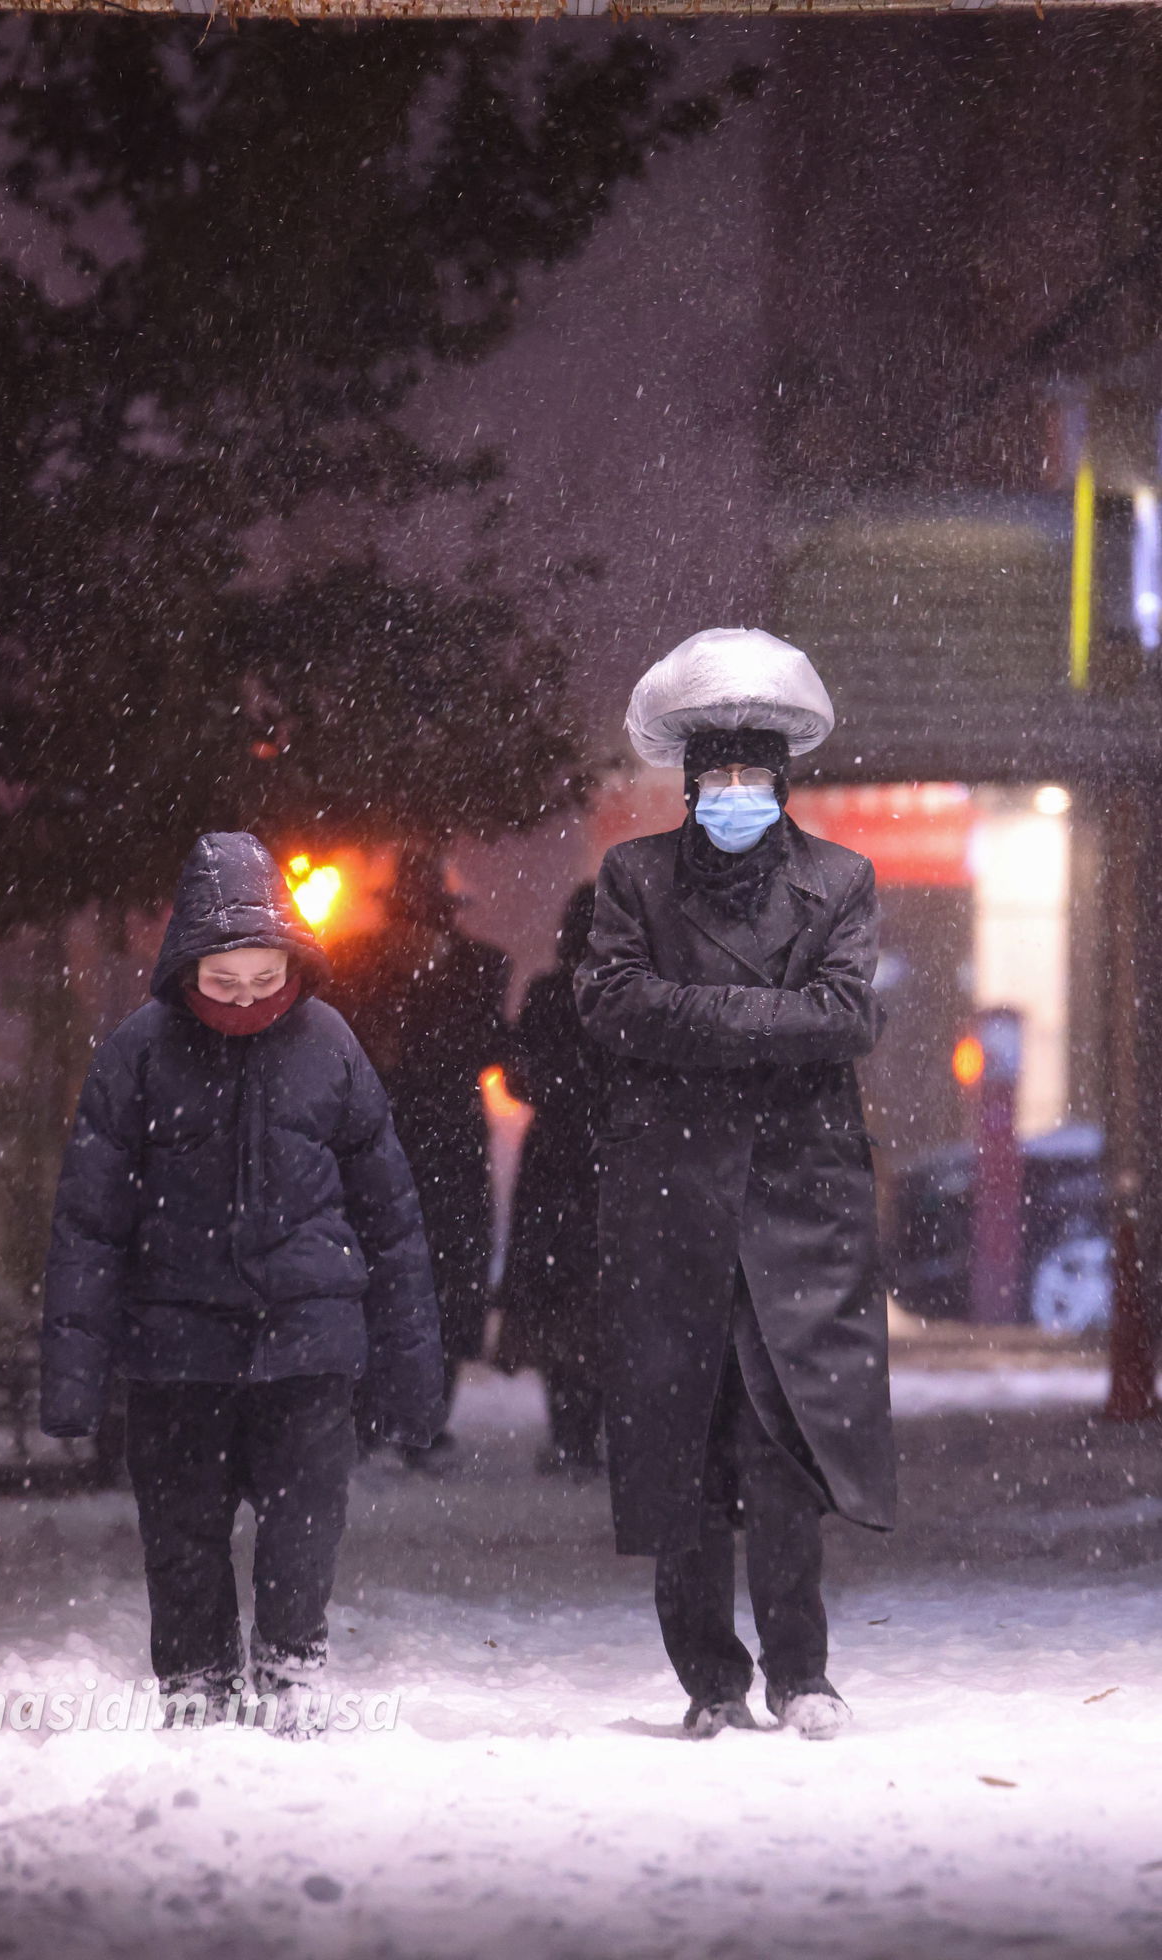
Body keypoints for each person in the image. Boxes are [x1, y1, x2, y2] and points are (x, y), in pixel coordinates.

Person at [41, 832, 443, 1736]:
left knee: (306, 1523)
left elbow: (392, 1218)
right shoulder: (138, 1055)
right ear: (189, 967)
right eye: (225, 983)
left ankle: (292, 1665)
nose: (247, 1000)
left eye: (264, 980)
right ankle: (195, 1679)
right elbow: (89, 1227)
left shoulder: (330, 1045)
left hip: (309, 1339)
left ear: (291, 961)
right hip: (176, 1345)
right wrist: (73, 1379)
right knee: (181, 1531)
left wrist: (416, 1376)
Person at [574, 628, 895, 1742]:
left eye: (755, 777)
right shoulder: (632, 877)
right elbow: (611, 1006)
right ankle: (708, 1682)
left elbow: (847, 1017)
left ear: (783, 782)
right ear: (688, 782)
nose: (735, 795)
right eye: (717, 777)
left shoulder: (840, 881)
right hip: (669, 1203)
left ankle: (802, 1673)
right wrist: (771, 1026)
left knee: (786, 1448)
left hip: (799, 1208)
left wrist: (693, 1023)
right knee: (682, 1446)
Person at [330, 847, 507, 1463]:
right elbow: (486, 1049)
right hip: (430, 1139)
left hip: (397, 1138)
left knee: (400, 1277)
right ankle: (411, 1418)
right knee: (435, 1279)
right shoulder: (479, 966)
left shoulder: (356, 965)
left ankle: (387, 1416)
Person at [497, 883, 604, 1477]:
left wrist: (553, 1090)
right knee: (605, 1299)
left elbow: (518, 1078)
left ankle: (570, 1433)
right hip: (612, 1161)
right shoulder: (634, 996)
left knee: (557, 1301)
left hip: (555, 1161)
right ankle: (601, 1432)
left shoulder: (546, 995)